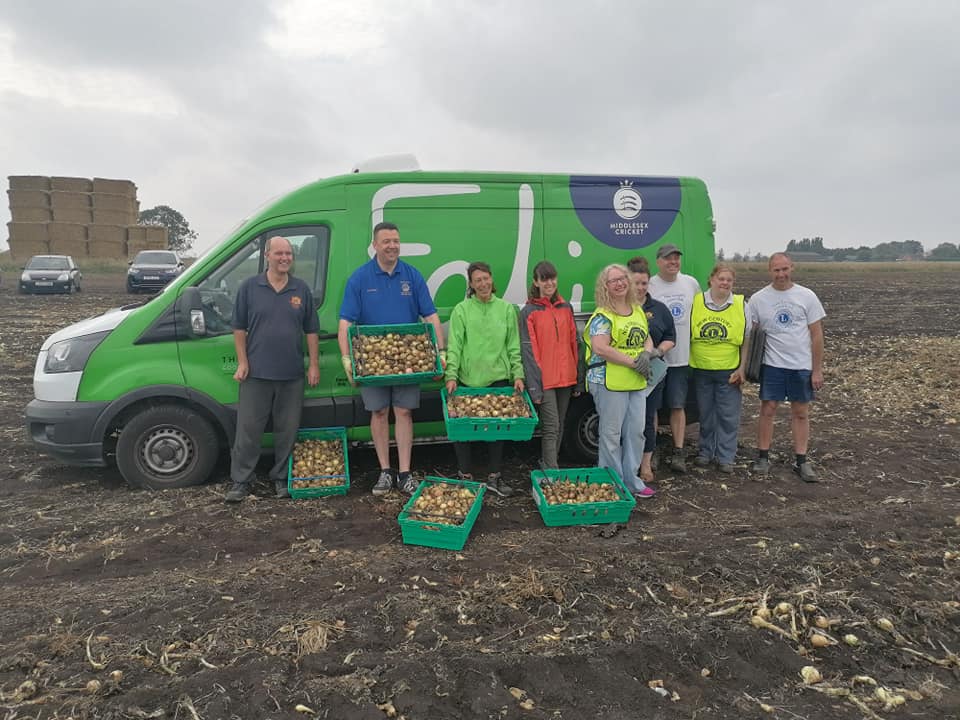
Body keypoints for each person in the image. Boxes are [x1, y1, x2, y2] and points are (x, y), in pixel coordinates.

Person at [338, 222, 443, 496]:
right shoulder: (359, 279)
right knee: (379, 412)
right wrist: (347, 359)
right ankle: (385, 470)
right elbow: (346, 322)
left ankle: (405, 473)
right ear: (375, 245)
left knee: (404, 412)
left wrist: (439, 353)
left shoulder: (412, 275)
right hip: (373, 359)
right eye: (386, 241)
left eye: (396, 241)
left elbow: (430, 316)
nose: (392, 246)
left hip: (407, 358)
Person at [224, 236, 320, 503]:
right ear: (267, 255)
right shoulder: (249, 288)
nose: (284, 258)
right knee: (248, 431)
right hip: (256, 374)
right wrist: (243, 362)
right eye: (279, 253)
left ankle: (281, 478)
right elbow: (238, 328)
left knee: (287, 430)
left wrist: (313, 364)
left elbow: (311, 330)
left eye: (288, 253)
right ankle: (241, 481)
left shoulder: (301, 289)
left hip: (292, 374)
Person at [445, 262, 524, 497]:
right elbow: (455, 346)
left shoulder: (506, 309)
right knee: (462, 430)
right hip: (468, 379)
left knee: (496, 431)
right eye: (477, 280)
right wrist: (451, 375)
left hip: (497, 378)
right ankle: (465, 475)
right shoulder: (462, 310)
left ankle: (494, 477)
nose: (483, 284)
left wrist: (518, 374)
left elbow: (513, 345)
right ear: (471, 284)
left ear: (492, 279)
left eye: (486, 278)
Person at [746, 252, 826, 482]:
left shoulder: (807, 296)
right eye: (776, 270)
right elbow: (750, 333)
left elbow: (817, 335)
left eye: (784, 269)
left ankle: (801, 460)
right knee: (768, 409)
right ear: (769, 271)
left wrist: (817, 369)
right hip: (772, 364)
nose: (781, 274)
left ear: (792, 268)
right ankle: (763, 457)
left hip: (801, 365)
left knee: (800, 412)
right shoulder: (758, 299)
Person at [583, 264, 656, 498]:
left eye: (622, 278)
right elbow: (600, 347)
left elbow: (646, 338)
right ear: (605, 286)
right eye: (613, 280)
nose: (620, 283)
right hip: (608, 381)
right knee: (611, 435)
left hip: (635, 381)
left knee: (636, 432)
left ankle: (632, 481)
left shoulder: (636, 310)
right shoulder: (603, 315)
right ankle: (611, 483)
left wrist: (646, 354)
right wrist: (634, 362)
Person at [519, 261, 581, 470]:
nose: (549, 283)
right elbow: (529, 351)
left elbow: (574, 343)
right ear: (536, 282)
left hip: (567, 377)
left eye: (552, 278)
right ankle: (551, 470)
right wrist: (534, 386)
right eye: (544, 279)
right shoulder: (528, 312)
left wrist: (578, 378)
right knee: (551, 426)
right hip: (544, 380)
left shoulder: (566, 308)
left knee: (560, 424)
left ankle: (549, 465)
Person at [648, 243, 702, 472]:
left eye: (676, 258)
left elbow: (700, 314)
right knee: (652, 408)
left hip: (681, 359)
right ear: (658, 261)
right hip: (656, 359)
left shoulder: (691, 283)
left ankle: (678, 452)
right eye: (668, 258)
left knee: (678, 405)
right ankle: (651, 450)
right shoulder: (650, 285)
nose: (673, 262)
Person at [690, 263, 746, 473]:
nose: (725, 283)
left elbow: (746, 339)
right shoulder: (696, 302)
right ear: (711, 279)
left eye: (729, 280)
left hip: (728, 371)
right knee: (706, 414)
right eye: (721, 278)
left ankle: (726, 457)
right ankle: (705, 452)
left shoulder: (740, 304)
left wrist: (742, 368)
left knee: (728, 415)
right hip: (702, 370)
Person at [627, 256, 676, 483]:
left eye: (644, 283)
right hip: (626, 372)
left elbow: (671, 337)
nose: (640, 287)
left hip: (652, 374)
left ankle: (645, 463)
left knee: (647, 418)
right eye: (636, 283)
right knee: (627, 420)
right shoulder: (621, 307)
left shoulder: (660, 309)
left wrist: (658, 351)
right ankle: (627, 462)